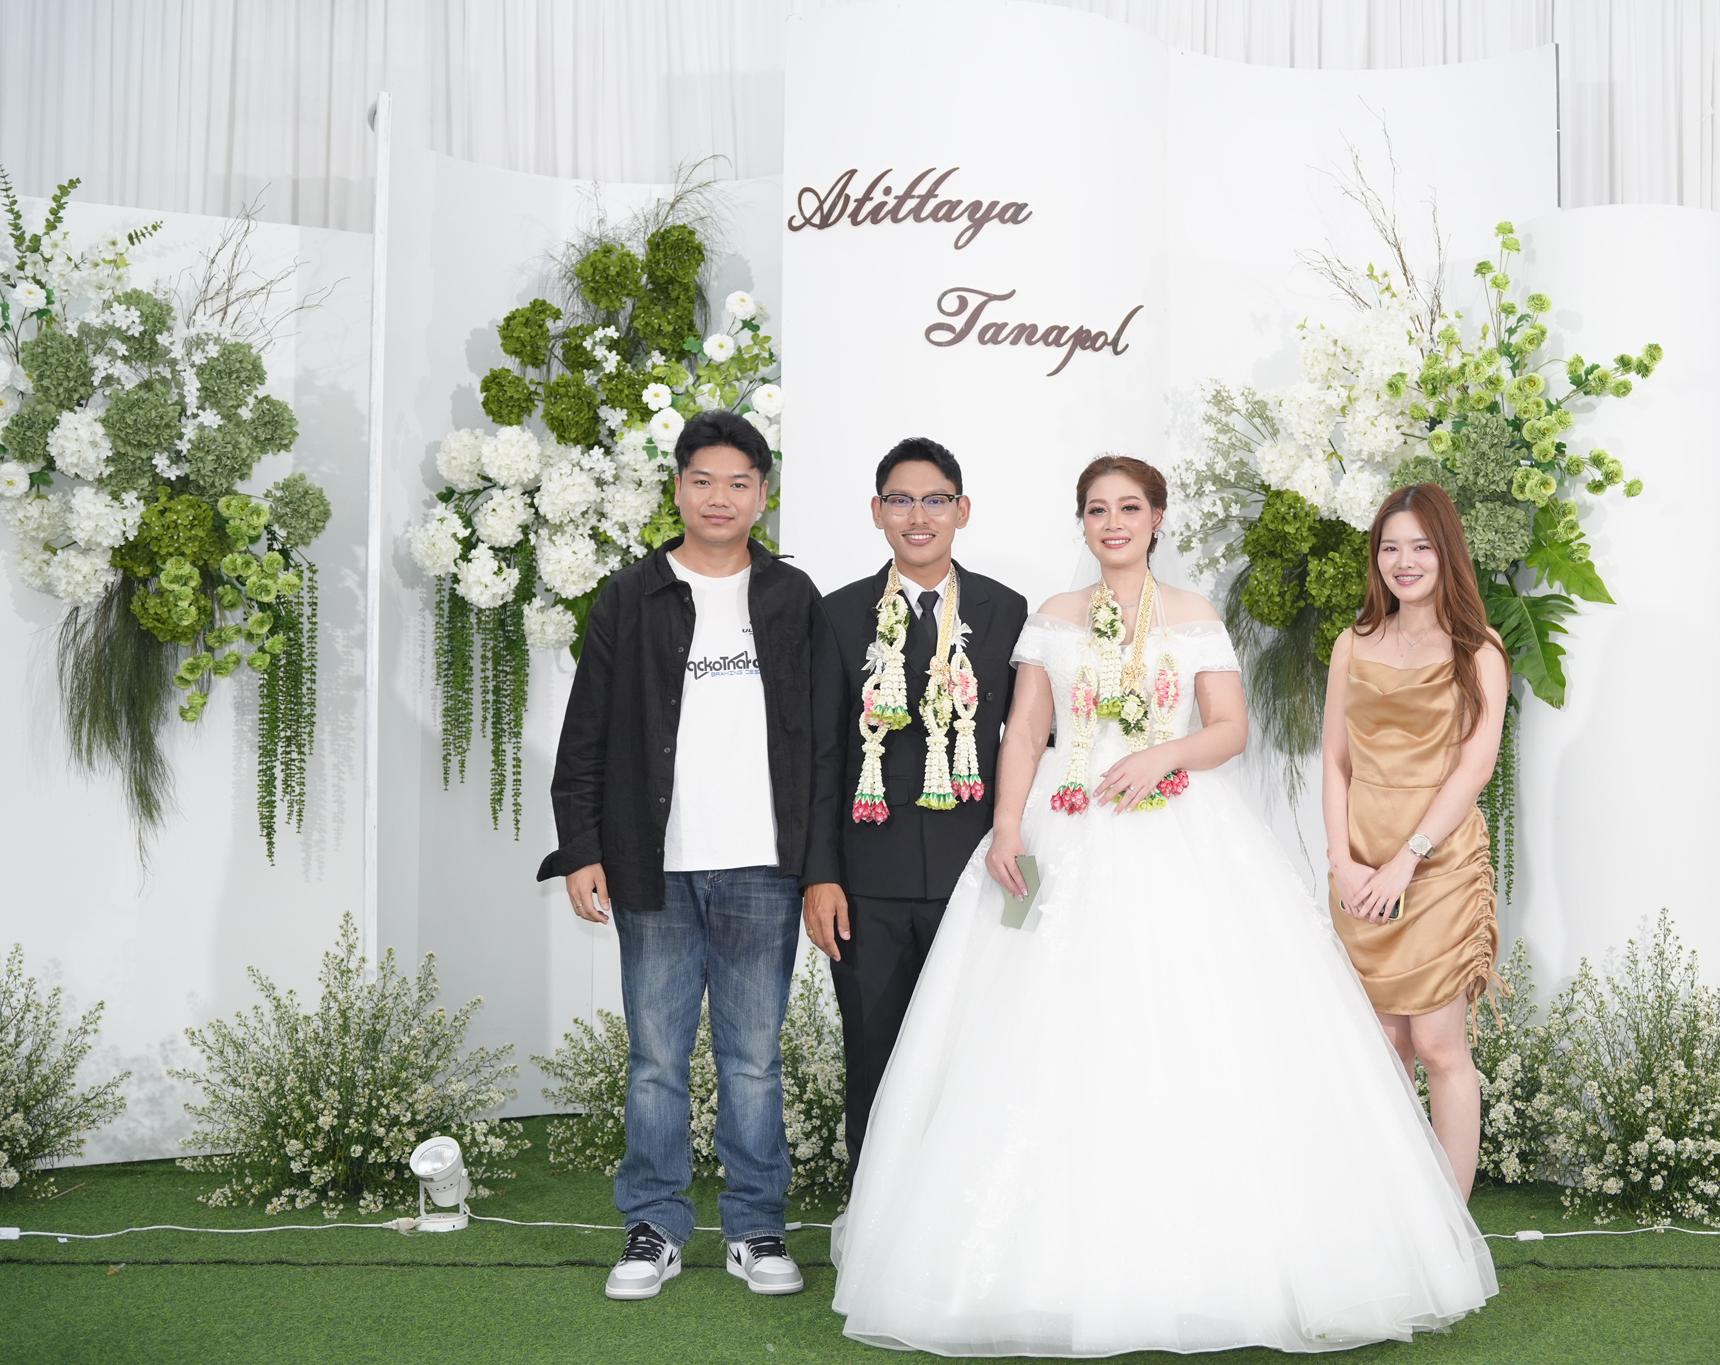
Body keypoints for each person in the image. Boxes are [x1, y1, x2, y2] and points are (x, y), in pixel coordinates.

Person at [831, 456, 1497, 1356]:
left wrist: (1163, 755)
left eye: (1130, 508)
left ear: (1157, 520)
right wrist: (1008, 827)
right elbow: (1024, 731)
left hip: (1181, 830)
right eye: (1097, 509)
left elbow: (1231, 728)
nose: (1114, 523)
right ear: (1082, 522)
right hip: (1067, 826)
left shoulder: (1194, 614)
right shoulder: (1052, 617)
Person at [537, 410, 820, 1302]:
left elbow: (820, 742)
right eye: (703, 480)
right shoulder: (630, 595)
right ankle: (654, 1225)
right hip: (652, 865)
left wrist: (820, 863)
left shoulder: (792, 597)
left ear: (763, 494)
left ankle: (756, 1226)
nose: (719, 498)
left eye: (739, 482)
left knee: (754, 1059)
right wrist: (582, 848)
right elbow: (585, 734)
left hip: (764, 866)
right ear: (678, 488)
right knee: (656, 1058)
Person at [803, 437, 1028, 1175]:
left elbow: (1031, 741)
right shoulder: (838, 614)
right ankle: (873, 1205)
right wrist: (820, 875)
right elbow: (823, 755)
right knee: (874, 1049)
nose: (918, 516)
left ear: (963, 510)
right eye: (900, 500)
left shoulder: (1006, 610)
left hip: (976, 873)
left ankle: (963, 1203)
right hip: (867, 880)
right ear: (877, 512)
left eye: (936, 500)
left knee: (977, 1050)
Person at [1322, 481, 1510, 1201]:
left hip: (1438, 862)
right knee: (1384, 1048)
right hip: (1361, 862)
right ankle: (1396, 1216)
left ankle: (1448, 1228)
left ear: (1446, 553)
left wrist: (1408, 859)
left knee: (1436, 1044)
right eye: (1390, 548)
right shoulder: (1352, 643)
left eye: (1421, 547)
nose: (1404, 562)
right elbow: (1335, 759)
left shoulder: (1479, 649)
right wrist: (1342, 861)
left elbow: (1475, 766)